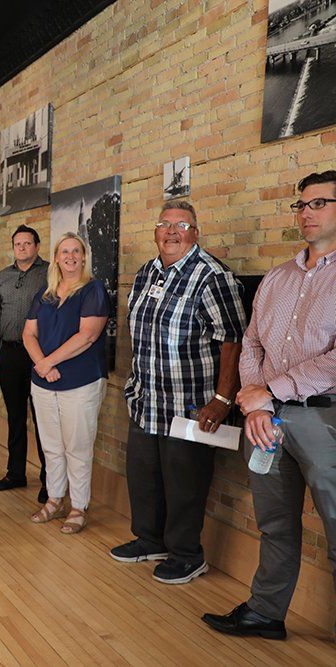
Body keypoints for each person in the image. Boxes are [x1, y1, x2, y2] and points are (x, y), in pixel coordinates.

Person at [203, 171, 336, 640]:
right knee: (275, 523)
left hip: (325, 418)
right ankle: (265, 613)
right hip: (268, 422)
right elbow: (252, 343)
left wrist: (271, 391)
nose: (307, 213)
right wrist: (258, 405)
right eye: (301, 205)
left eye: (319, 203)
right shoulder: (278, 277)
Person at [111, 201, 245, 585]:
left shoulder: (213, 277)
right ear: (155, 232)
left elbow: (234, 341)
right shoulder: (146, 273)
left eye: (181, 225)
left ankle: (187, 555)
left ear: (195, 233)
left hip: (189, 406)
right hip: (147, 399)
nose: (171, 231)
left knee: (185, 485)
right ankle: (150, 540)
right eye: (164, 224)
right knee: (144, 477)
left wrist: (222, 399)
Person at [23, 232, 109, 535]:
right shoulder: (45, 294)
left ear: (84, 257)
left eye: (76, 251)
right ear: (56, 258)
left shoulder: (93, 290)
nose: (70, 256)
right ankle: (55, 499)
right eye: (64, 252)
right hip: (44, 382)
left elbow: (87, 336)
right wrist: (42, 365)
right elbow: (28, 334)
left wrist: (48, 362)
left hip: (80, 382)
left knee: (77, 448)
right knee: (51, 447)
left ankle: (79, 507)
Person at [0, 225, 50, 503]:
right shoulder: (3, 276)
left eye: (27, 243)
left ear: (37, 246)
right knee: (15, 417)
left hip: (39, 356)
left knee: (43, 419)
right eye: (17, 244)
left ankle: (50, 480)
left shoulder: (49, 273)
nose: (22, 248)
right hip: (9, 353)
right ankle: (15, 473)